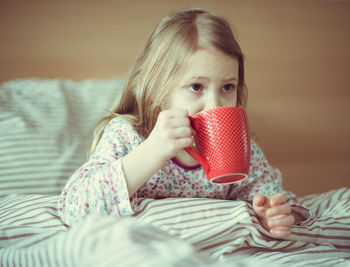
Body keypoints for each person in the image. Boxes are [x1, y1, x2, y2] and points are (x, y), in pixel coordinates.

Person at [58, 8, 310, 238]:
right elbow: (75, 207)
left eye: (227, 87)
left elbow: (278, 199)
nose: (215, 104)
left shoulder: (240, 147)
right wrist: (153, 150)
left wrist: (276, 214)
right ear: (159, 89)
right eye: (196, 86)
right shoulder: (127, 136)